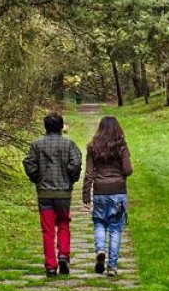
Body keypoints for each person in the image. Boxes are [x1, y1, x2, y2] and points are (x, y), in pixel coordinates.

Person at [23, 111, 82, 277]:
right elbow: (76, 163)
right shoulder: (69, 144)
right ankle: (63, 254)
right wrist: (71, 178)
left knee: (47, 230)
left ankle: (50, 266)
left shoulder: (36, 145)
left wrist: (37, 178)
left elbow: (29, 163)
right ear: (61, 126)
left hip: (44, 194)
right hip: (63, 193)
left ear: (45, 127)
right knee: (63, 223)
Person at [81, 116, 133, 276]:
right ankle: (112, 266)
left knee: (99, 223)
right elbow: (128, 170)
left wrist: (86, 196)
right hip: (118, 192)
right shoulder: (121, 145)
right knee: (115, 229)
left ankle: (100, 250)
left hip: (100, 192)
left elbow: (89, 173)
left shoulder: (93, 146)